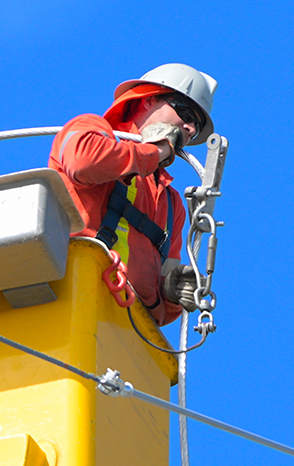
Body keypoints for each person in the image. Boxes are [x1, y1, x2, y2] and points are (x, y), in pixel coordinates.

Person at [48, 63, 217, 326]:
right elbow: (84, 163)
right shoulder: (92, 129)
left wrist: (172, 292)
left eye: (196, 124)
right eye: (184, 112)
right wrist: (155, 151)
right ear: (147, 100)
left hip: (123, 330)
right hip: (69, 292)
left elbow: (160, 313)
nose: (190, 128)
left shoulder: (172, 205)